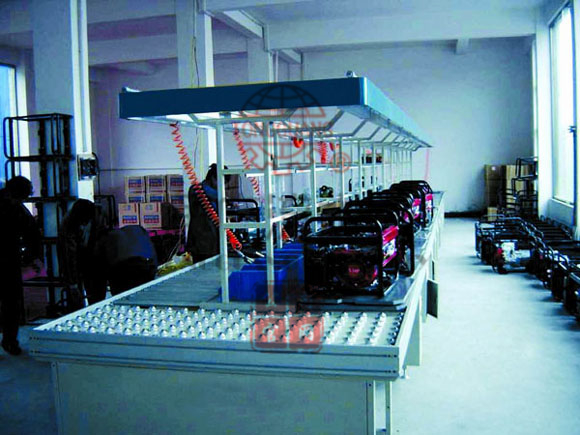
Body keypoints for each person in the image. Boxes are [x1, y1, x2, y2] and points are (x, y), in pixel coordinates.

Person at [0, 176, 41, 356]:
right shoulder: (18, 209)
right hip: (9, 261)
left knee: (12, 303)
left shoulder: (17, 208)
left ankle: (10, 341)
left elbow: (31, 233)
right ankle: (10, 341)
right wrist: (33, 257)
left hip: (9, 260)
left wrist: (33, 256)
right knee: (11, 303)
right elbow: (32, 233)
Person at [58, 199, 106, 310]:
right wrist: (72, 283)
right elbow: (69, 255)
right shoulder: (68, 225)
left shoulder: (98, 214)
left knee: (96, 293)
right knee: (77, 296)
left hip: (95, 257)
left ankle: (95, 306)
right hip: (83, 256)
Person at [95, 225, 158, 296]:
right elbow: (152, 253)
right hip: (145, 265)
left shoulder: (106, 239)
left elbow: (101, 272)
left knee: (121, 296)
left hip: (123, 268)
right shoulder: (137, 230)